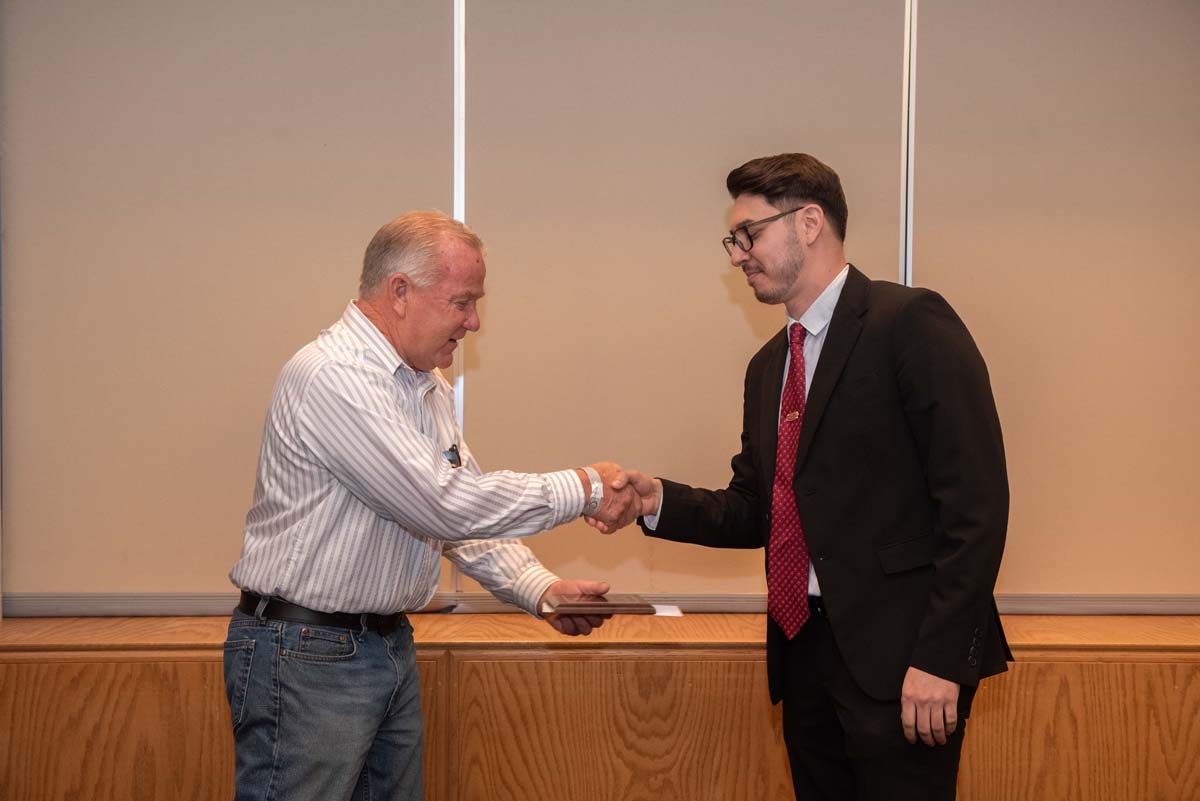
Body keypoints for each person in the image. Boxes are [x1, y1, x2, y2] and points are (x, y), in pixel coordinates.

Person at [601, 153, 1010, 800]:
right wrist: (657, 500)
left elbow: (977, 506)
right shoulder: (769, 366)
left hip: (903, 663)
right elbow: (759, 509)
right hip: (804, 654)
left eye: (749, 234)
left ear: (809, 222)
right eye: (733, 239)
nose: (737, 255)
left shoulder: (909, 325)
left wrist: (940, 657)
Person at [224, 210, 638, 801]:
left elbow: (457, 518)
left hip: (383, 645)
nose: (474, 322)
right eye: (462, 302)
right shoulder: (333, 377)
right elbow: (442, 506)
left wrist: (538, 588)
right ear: (400, 292)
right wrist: (586, 487)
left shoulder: (423, 385)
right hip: (307, 657)